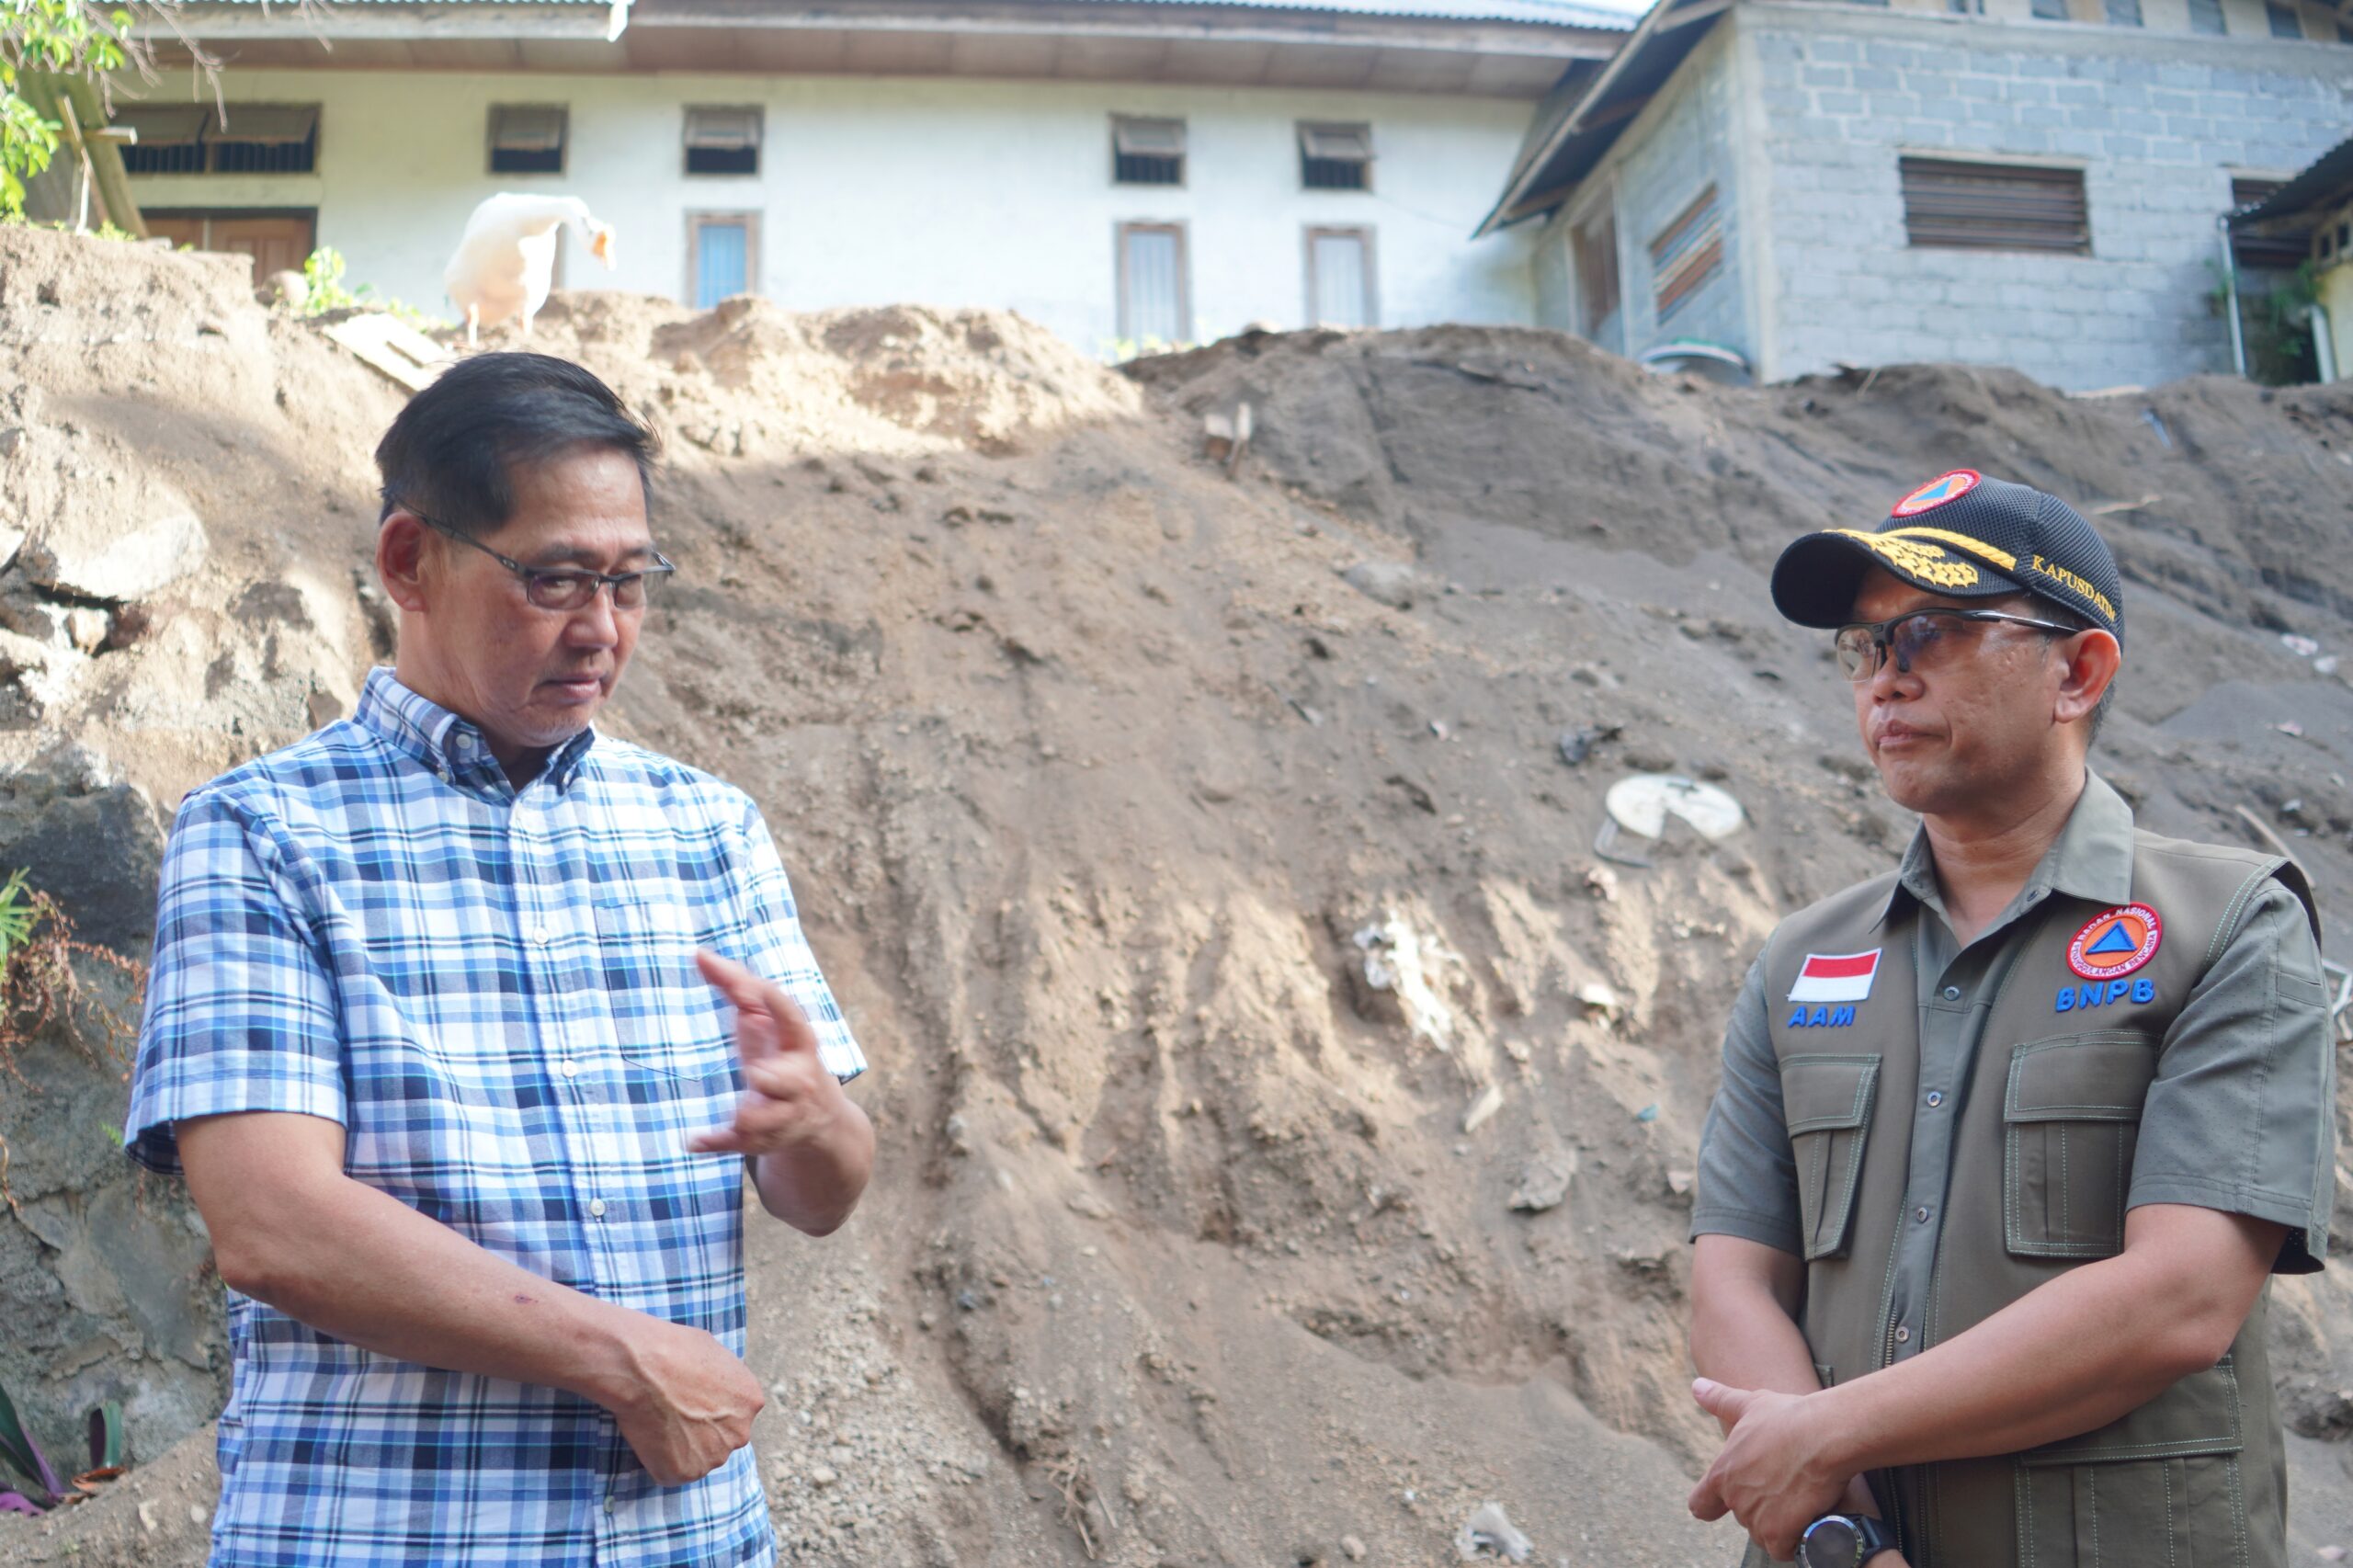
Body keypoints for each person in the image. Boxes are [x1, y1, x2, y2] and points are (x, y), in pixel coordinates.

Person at [124, 351, 876, 1568]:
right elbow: (275, 1225)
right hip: (387, 1539)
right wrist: (627, 1363)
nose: (601, 629)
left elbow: (819, 1195)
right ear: (409, 561)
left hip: (684, 1540)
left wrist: (818, 1124)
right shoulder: (265, 832)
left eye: (632, 582)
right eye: (557, 578)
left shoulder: (704, 829)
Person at [1684, 471, 2334, 1568]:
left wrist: (1825, 1434)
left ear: (2075, 672)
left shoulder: (2226, 926)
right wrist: (1843, 1533)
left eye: (1930, 632)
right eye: (1864, 645)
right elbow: (1733, 1275)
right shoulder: (1800, 963)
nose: (1885, 678)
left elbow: (2180, 1295)